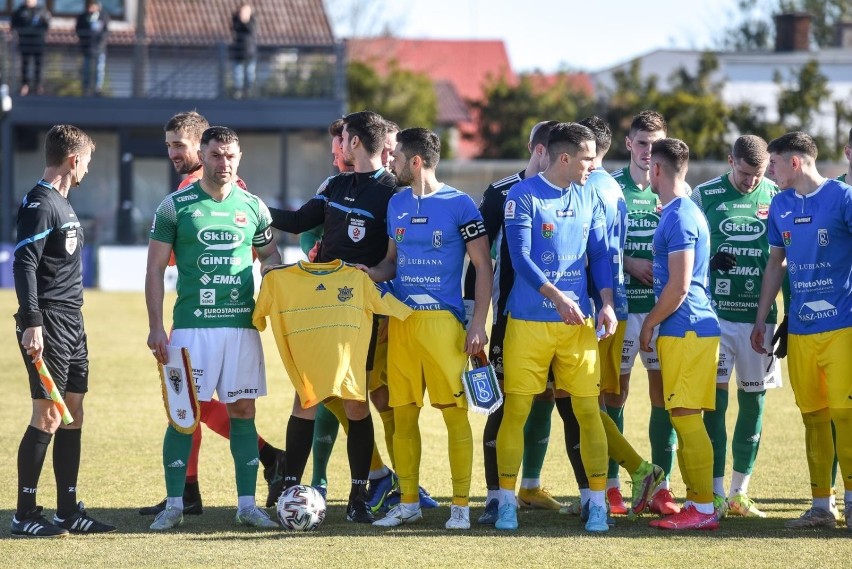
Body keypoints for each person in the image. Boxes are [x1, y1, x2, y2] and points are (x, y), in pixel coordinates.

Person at [138, 111, 285, 517]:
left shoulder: (254, 207)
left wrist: (277, 278)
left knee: (243, 411)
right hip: (191, 330)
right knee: (184, 414)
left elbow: (270, 256)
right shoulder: (174, 206)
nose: (224, 163)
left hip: (241, 328)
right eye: (217, 155)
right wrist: (155, 326)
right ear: (204, 153)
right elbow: (153, 269)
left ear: (240, 157)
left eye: (231, 156)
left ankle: (247, 506)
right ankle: (174, 504)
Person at [269, 110, 398, 523]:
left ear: (355, 142)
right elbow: (296, 221)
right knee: (305, 395)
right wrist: (249, 203)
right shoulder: (336, 185)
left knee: (355, 402)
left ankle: (359, 498)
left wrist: (376, 275)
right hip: (317, 304)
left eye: (343, 138)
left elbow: (395, 258)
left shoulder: (394, 192)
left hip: (356, 310)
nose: (338, 146)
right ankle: (290, 488)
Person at [362, 127, 492, 530]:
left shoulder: (461, 205)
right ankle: (408, 503)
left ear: (415, 161)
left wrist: (477, 324)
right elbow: (390, 262)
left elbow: (484, 268)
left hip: (443, 326)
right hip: (401, 323)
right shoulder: (397, 203)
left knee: (455, 417)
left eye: (396, 156)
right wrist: (368, 274)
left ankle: (459, 507)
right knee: (403, 417)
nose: (391, 162)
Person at [494, 122, 617, 533]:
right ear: (564, 158)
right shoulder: (522, 196)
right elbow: (521, 258)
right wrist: (556, 296)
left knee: (588, 412)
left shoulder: (591, 195)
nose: (593, 165)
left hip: (578, 325)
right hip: (529, 323)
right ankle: (507, 503)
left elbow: (600, 254)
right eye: (587, 158)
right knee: (517, 411)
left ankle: (597, 504)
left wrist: (606, 303)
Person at [12, 124, 116, 537]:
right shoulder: (41, 203)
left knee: (73, 412)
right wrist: (33, 322)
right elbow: (24, 265)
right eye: (87, 160)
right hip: (49, 322)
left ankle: (68, 510)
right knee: (49, 414)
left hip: (74, 321)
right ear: (74, 160)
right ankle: (24, 515)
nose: (88, 168)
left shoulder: (63, 202)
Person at [462, 120, 563, 525]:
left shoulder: (572, 193)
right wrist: (475, 318)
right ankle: (493, 496)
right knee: (500, 404)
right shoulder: (502, 193)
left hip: (559, 323)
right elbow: (478, 259)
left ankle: (532, 486)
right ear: (537, 149)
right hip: (507, 321)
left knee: (551, 399)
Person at [751, 131, 852, 531]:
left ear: (794, 162)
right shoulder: (780, 204)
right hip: (802, 331)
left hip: (843, 327)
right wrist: (763, 318)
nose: (770, 172)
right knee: (813, 418)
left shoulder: (843, 197)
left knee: (846, 417)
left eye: (774, 164)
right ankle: (821, 507)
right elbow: (776, 264)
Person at [691, 135, 780, 519]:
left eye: (757, 175)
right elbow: (684, 245)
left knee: (754, 401)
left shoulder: (778, 195)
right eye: (745, 174)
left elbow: (787, 256)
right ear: (731, 161)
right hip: (717, 318)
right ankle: (713, 492)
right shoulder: (703, 195)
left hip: (759, 321)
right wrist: (710, 260)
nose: (750, 182)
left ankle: (739, 492)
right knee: (714, 401)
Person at [639, 138, 720, 530]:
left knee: (687, 419)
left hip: (687, 327)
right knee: (683, 416)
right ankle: (698, 503)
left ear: (657, 169)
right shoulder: (676, 212)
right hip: (684, 328)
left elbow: (680, 286)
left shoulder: (681, 216)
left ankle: (703, 509)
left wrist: (650, 321)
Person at [611, 110, 680, 515]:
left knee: (662, 396)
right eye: (641, 143)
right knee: (614, 394)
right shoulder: (611, 188)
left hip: (660, 310)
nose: (647, 152)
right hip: (622, 310)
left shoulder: (672, 192)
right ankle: (612, 485)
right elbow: (595, 246)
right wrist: (630, 264)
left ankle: (662, 486)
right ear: (628, 144)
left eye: (655, 145)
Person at [11, 0, 51, 97]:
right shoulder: (20, 11)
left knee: (39, 65)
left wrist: (37, 31)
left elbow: (46, 25)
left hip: (38, 42)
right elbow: (14, 25)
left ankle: (38, 85)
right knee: (25, 64)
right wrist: (23, 31)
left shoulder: (42, 11)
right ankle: (25, 85)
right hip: (25, 41)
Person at [75, 0, 109, 96]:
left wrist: (100, 41)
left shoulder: (103, 16)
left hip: (99, 48)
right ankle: (86, 88)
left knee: (99, 69)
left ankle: (98, 88)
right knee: (86, 69)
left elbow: (106, 31)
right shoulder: (83, 17)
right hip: (87, 47)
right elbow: (78, 30)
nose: (91, 8)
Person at [231, 2, 257, 98]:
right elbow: (234, 28)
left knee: (250, 74)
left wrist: (245, 21)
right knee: (238, 74)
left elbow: (251, 30)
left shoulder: (253, 20)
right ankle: (238, 92)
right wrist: (240, 19)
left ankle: (249, 92)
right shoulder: (236, 19)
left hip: (250, 52)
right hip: (238, 52)